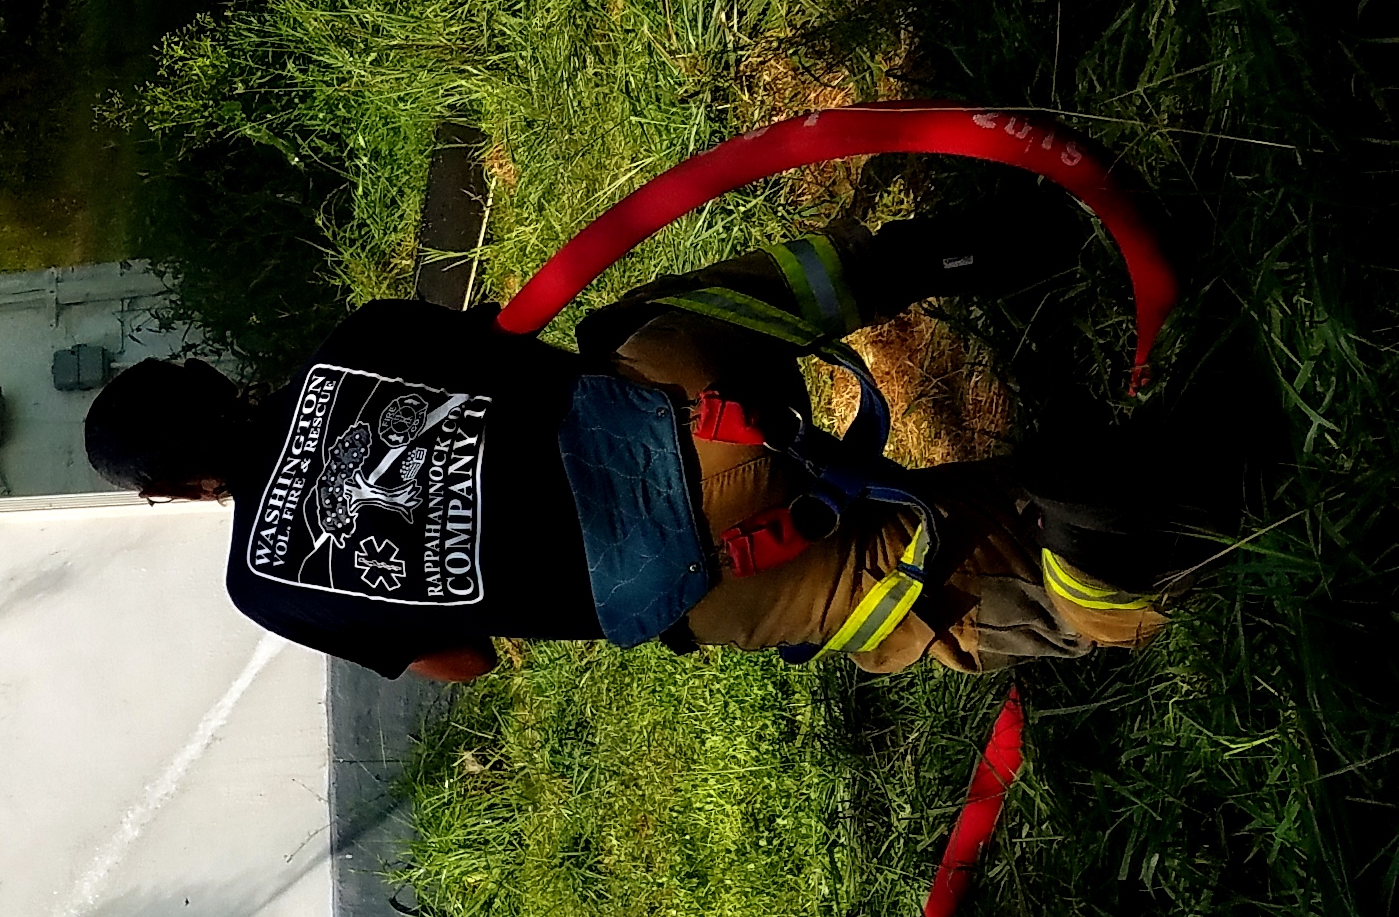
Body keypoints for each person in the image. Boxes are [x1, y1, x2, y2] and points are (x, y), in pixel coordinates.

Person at [79, 193, 1218, 684]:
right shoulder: (356, 344)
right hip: (692, 403)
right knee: (635, 326)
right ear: (207, 378)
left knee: (910, 603)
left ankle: (1120, 534)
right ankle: (936, 256)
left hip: (716, 568)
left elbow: (464, 658)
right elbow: (522, 352)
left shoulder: (267, 589)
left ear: (178, 491)